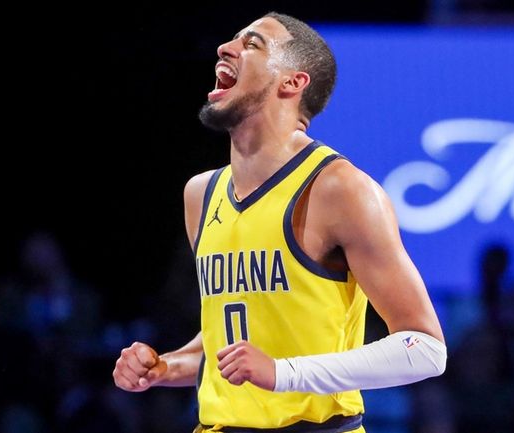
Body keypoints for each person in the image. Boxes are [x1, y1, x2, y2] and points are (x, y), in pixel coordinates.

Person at [112, 12, 446, 432]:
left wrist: (284, 373)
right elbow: (231, 337)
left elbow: (426, 349)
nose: (225, 48)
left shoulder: (341, 190)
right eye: (232, 39)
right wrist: (165, 366)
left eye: (251, 44)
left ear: (292, 82)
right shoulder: (200, 194)